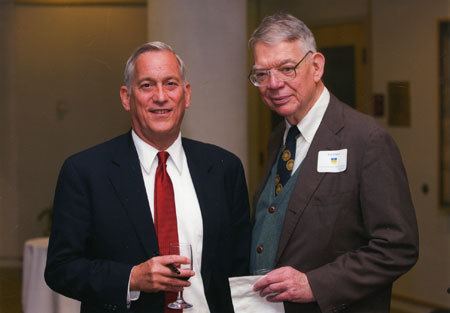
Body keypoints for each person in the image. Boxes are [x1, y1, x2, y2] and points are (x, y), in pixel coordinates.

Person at [45, 41, 251, 313]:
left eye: (170, 84)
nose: (161, 96)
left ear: (186, 95)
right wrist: (131, 278)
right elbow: (61, 268)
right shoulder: (85, 171)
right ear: (126, 97)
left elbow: (240, 267)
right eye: (146, 85)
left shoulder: (225, 168)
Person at [248, 13, 419, 313]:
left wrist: (314, 284)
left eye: (287, 69)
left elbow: (398, 247)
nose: (274, 84)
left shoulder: (366, 140)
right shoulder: (279, 137)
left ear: (316, 67)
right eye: (262, 74)